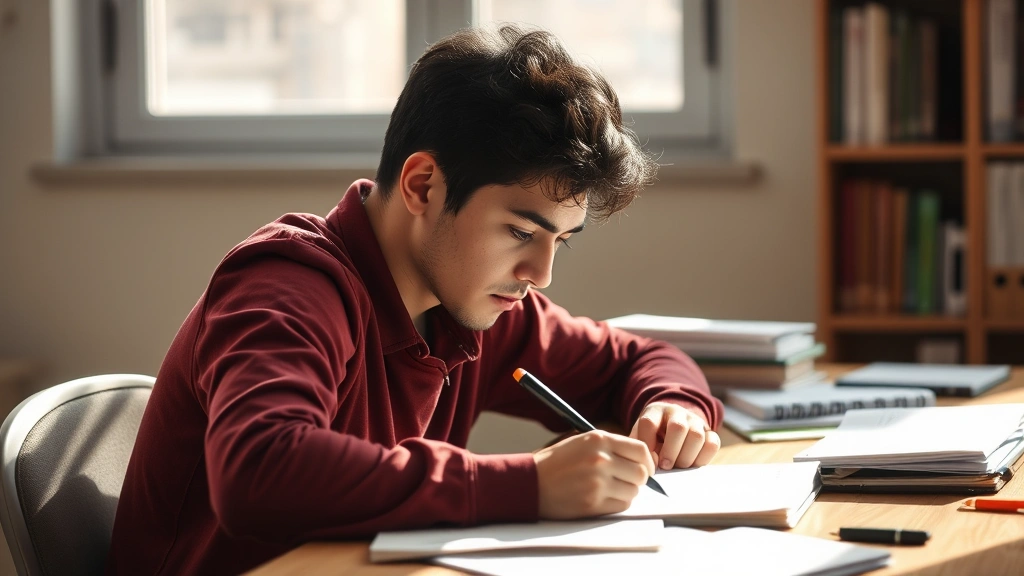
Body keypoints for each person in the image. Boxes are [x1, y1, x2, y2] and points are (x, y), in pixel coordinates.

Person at [106, 24, 723, 575]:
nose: (542, 272)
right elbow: (260, 469)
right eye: (520, 232)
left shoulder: (474, 306)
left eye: (562, 240)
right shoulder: (287, 283)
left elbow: (635, 360)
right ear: (423, 185)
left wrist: (675, 406)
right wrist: (527, 484)